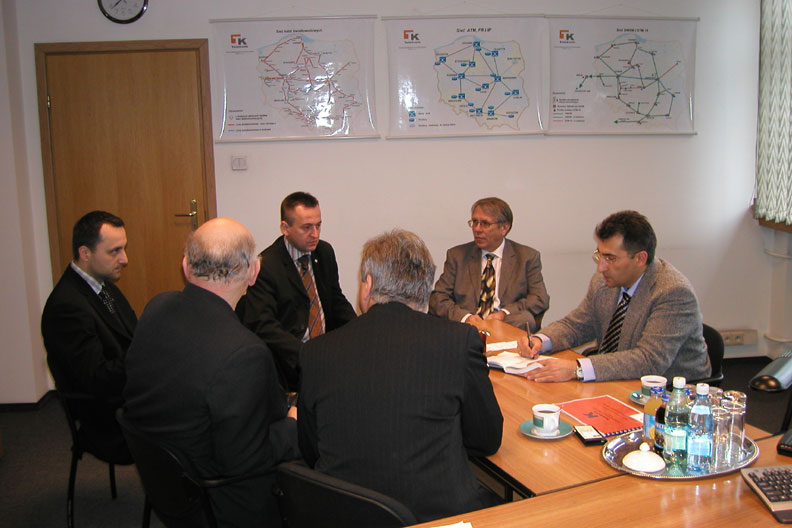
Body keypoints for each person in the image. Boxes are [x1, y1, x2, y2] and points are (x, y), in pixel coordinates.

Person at [297, 229, 503, 523]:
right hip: (437, 517)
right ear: (425, 290)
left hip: (343, 515)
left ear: (367, 285)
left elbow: (311, 449)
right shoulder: (458, 342)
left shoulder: (315, 352)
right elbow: (486, 439)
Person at [123, 218, 298, 528]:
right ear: (254, 272)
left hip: (167, 480)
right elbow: (249, 459)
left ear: (185, 266)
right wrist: (293, 423)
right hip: (219, 499)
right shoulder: (245, 353)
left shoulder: (156, 307)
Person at [517, 210, 711, 382]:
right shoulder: (604, 281)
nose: (601, 267)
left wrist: (577, 368)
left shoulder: (673, 292)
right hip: (617, 380)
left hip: (672, 393)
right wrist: (541, 340)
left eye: (610, 258)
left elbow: (649, 360)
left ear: (640, 258)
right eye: (600, 255)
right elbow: (577, 325)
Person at [41, 210, 137, 463]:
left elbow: (132, 336)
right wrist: (146, 359)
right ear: (85, 253)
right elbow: (96, 379)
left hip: (125, 394)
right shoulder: (66, 307)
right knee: (190, 415)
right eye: (114, 251)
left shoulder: (102, 286)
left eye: (124, 249)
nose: (124, 259)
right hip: (107, 416)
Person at [238, 191, 356, 390]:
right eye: (307, 227)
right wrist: (305, 354)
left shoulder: (324, 252)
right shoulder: (266, 266)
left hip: (326, 351)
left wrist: (359, 329)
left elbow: (335, 300)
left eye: (318, 225)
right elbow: (263, 325)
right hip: (290, 361)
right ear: (285, 228)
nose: (315, 234)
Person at [429, 197, 549, 332]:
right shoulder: (457, 255)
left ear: (504, 228)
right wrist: (465, 317)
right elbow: (438, 297)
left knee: (524, 319)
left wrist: (504, 313)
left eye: (485, 224)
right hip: (467, 327)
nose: (477, 229)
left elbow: (539, 298)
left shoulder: (527, 257)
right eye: (475, 222)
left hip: (504, 325)